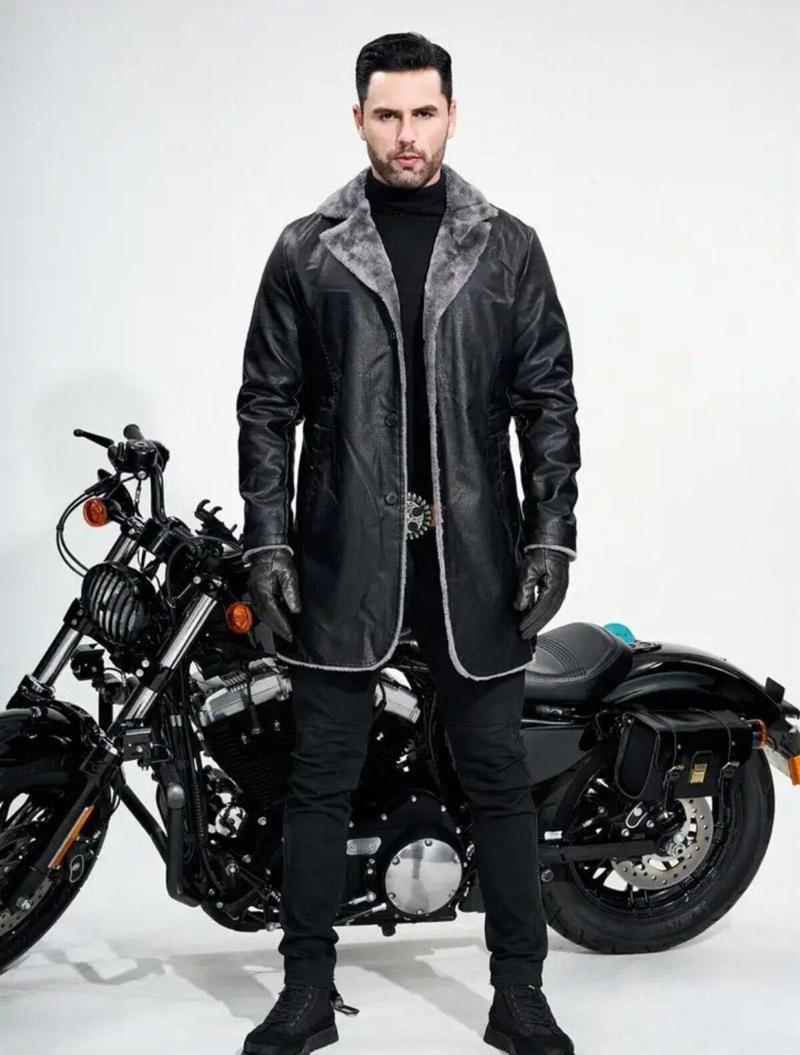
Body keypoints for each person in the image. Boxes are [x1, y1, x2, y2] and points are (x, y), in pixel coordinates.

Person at [236, 31, 581, 1055]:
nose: (405, 134)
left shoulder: (506, 248)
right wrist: (269, 542)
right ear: (358, 119)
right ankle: (306, 990)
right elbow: (267, 406)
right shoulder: (308, 249)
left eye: (423, 112)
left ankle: (518, 992)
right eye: (386, 115)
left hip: (472, 550)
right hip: (346, 550)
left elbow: (547, 402)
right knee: (319, 777)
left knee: (496, 776)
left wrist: (550, 536)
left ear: (451, 115)